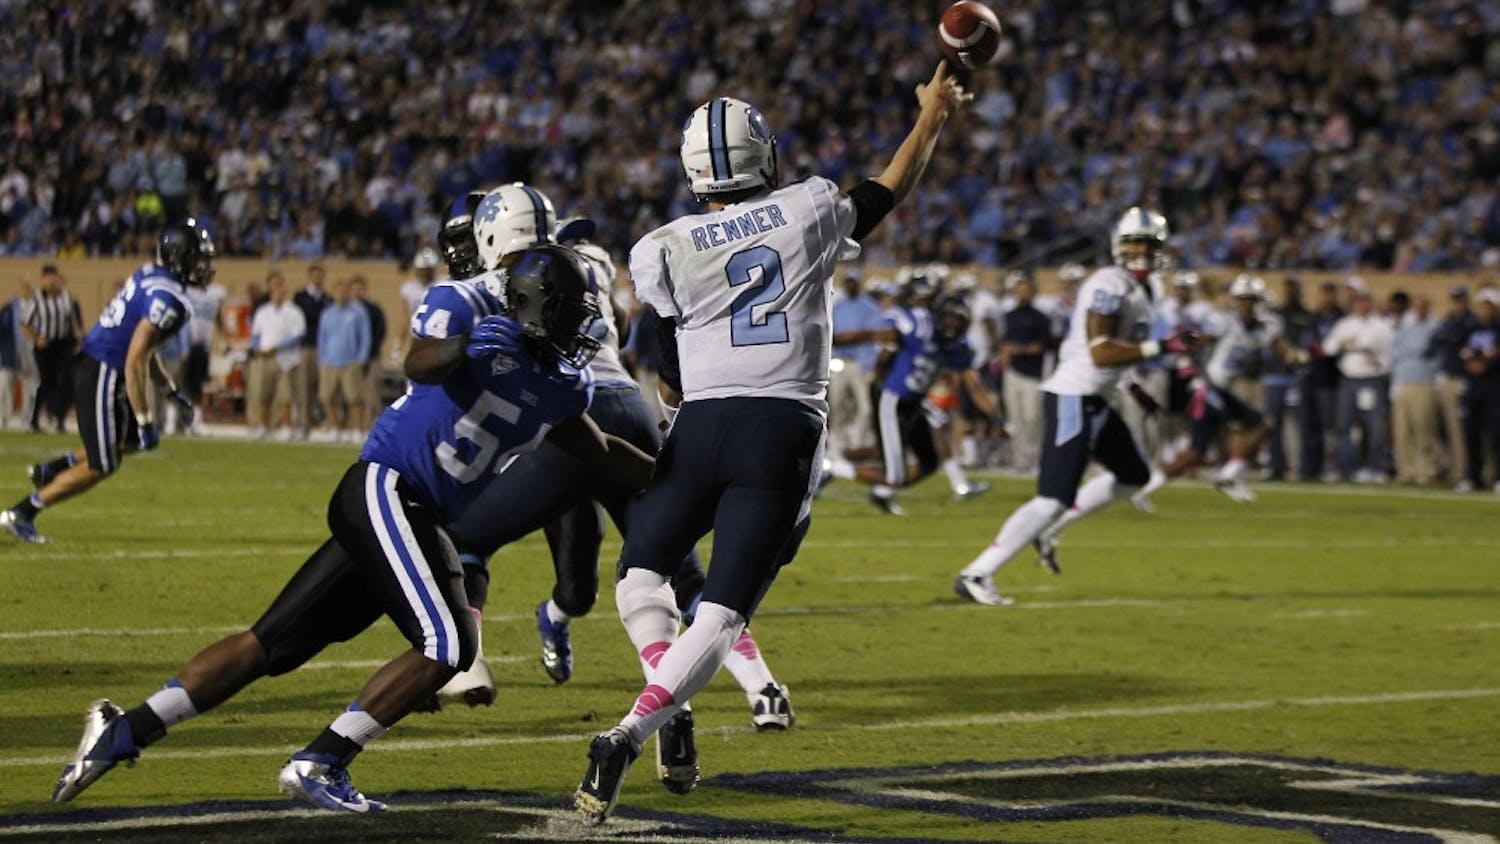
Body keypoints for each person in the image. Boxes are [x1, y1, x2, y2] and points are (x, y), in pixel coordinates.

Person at [50, 244, 655, 813]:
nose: (582, 330)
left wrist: (677, 469)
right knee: (447, 644)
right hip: (387, 488)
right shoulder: (476, 324)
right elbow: (420, 359)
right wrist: (466, 348)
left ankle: (124, 728)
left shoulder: (563, 383)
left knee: (270, 644)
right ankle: (321, 761)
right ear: (533, 307)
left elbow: (601, 451)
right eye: (571, 315)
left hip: (415, 513)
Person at [574, 62, 972, 824]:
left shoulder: (662, 245)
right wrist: (932, 116)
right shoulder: (809, 208)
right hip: (781, 426)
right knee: (722, 612)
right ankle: (631, 730)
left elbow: (667, 371)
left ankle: (663, 708)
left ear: (694, 171)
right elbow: (891, 186)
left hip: (701, 426)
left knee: (638, 580)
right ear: (765, 155)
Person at [952, 208, 1202, 606]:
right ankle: (977, 572)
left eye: (1148, 244)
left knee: (1134, 475)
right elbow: (1101, 352)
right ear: (1119, 246)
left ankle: (1052, 528)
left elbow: (1116, 354)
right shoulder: (1108, 282)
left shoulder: (1149, 289)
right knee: (1052, 495)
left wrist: (1133, 386)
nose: (1140, 250)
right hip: (1074, 394)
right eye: (1134, 242)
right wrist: (1162, 347)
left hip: (1099, 397)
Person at [1, 222, 213, 544]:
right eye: (197, 258)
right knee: (104, 464)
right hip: (103, 370)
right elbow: (135, 359)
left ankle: (53, 469)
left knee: (131, 443)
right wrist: (144, 418)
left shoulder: (150, 276)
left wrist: (168, 390)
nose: (203, 266)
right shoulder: (169, 300)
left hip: (102, 365)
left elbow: (141, 347)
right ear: (178, 257)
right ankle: (24, 511)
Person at [1129, 274, 1309, 511]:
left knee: (1236, 434)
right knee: (1238, 433)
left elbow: (1281, 347)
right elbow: (1197, 343)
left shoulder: (1267, 325)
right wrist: (1187, 368)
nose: (1247, 304)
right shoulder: (1223, 321)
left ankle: (1228, 475)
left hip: (1225, 389)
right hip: (1208, 386)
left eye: (1251, 299)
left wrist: (1297, 356)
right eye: (1243, 299)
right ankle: (1224, 476)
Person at [825, 276, 999, 514]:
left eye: (958, 322)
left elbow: (974, 385)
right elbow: (871, 336)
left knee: (928, 462)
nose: (952, 326)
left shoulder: (954, 347)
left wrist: (995, 416)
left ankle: (880, 491)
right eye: (949, 319)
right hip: (893, 399)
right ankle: (833, 467)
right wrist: (831, 341)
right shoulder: (916, 326)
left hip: (915, 402)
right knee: (895, 473)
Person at [1323, 280, 1395, 482]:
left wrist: (1379, 363)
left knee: (1375, 427)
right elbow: (1328, 348)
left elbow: (1391, 354)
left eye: (1365, 301)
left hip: (1372, 380)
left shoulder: (1381, 326)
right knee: (1344, 426)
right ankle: (1346, 467)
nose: (1361, 305)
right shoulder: (1345, 325)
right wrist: (1342, 343)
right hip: (1349, 380)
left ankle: (1376, 467)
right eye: (1358, 302)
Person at [1000, 273, 1052, 471]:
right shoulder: (1008, 316)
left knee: (1033, 417)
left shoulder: (1040, 318)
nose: (1021, 294)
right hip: (1012, 372)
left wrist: (1018, 349)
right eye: (1018, 289)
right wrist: (1004, 354)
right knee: (1016, 418)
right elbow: (1003, 343)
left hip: (1032, 373)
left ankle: (1037, 456)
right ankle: (1019, 459)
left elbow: (1042, 346)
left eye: (1025, 289)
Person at [23, 264, 83, 433]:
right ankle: (34, 420)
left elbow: (71, 318)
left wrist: (77, 333)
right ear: (42, 279)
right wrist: (37, 338)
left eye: (54, 277)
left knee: (69, 381)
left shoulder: (65, 297)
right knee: (46, 382)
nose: (52, 281)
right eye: (48, 277)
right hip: (45, 345)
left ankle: (59, 417)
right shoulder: (36, 299)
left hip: (63, 343)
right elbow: (25, 324)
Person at [246, 272, 305, 440]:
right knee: (264, 394)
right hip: (265, 358)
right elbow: (256, 333)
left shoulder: (293, 312)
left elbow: (297, 336)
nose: (278, 294)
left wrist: (277, 347)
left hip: (285, 359)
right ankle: (263, 427)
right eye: (275, 291)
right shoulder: (263, 311)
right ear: (271, 293)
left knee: (285, 395)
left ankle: (286, 427)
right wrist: (257, 347)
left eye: (281, 291)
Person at [1389, 293, 1440, 485]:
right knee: (1402, 429)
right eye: (1416, 307)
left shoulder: (1433, 328)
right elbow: (1395, 354)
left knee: (1423, 427)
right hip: (1402, 380)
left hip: (1423, 381)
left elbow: (1427, 353)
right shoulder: (1405, 329)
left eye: (1422, 306)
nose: (1419, 310)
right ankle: (1406, 470)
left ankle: (1427, 470)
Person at [1429, 286, 1477, 485]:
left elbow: (1458, 341)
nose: (1459, 303)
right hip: (1446, 377)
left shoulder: (1471, 322)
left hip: (1463, 378)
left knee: (1461, 429)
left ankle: (1464, 471)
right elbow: (1435, 341)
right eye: (1455, 299)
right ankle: (1454, 469)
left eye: (1461, 299)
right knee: (1448, 429)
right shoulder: (1449, 319)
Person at [315, 277, 372, 442]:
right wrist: (322, 358)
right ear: (333, 293)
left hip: (351, 362)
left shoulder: (358, 312)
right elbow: (322, 338)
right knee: (328, 397)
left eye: (344, 290)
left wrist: (362, 358)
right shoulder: (327, 314)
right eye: (338, 291)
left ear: (348, 293)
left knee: (354, 398)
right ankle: (335, 428)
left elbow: (365, 335)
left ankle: (357, 429)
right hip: (330, 362)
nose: (341, 294)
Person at [1458, 287, 1500, 492]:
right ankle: (1473, 476)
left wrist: (1486, 365)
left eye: (1489, 306)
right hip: (1473, 386)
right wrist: (1474, 364)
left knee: (1496, 433)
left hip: (1494, 387)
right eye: (1482, 306)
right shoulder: (1469, 328)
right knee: (1470, 433)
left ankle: (1497, 476)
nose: (1485, 311)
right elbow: (1462, 353)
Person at [182, 268, 229, 433]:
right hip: (187, 344)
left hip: (204, 346)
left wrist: (224, 339)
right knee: (183, 383)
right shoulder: (187, 290)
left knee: (198, 385)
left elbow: (219, 318)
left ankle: (196, 419)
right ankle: (179, 420)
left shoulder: (216, 292)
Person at [292, 263, 328, 438]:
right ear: (309, 276)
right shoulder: (300, 296)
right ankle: (303, 426)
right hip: (305, 347)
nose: (318, 278)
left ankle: (323, 423)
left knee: (322, 390)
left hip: (324, 349)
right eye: (315, 275)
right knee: (304, 388)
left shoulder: (327, 298)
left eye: (320, 275)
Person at [348, 275, 387, 430]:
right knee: (354, 395)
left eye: (360, 288)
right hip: (350, 359)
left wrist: (369, 351)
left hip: (372, 358)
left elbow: (380, 331)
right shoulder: (345, 309)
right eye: (354, 289)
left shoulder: (373, 309)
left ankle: (371, 426)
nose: (357, 292)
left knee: (372, 393)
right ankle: (354, 427)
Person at [0, 279, 37, 429]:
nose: (26, 289)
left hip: (31, 354)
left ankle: (26, 419)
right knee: (5, 388)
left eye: (28, 286)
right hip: (10, 353)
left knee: (30, 387)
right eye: (23, 286)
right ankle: (3, 418)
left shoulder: (37, 306)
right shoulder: (9, 308)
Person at [399, 246, 441, 317]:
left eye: (427, 270)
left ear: (432, 269)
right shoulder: (409, 288)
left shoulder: (441, 285)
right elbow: (405, 316)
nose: (424, 273)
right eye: (421, 270)